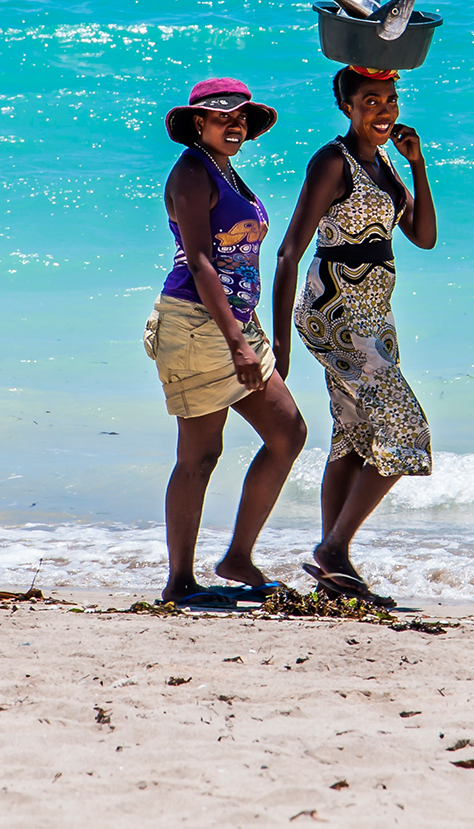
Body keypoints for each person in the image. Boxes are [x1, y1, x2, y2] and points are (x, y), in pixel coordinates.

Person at [271, 66, 437, 606]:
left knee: (354, 435)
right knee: (405, 427)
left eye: (390, 99)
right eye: (371, 100)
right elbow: (290, 250)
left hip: (374, 317)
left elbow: (424, 237)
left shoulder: (385, 162)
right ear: (347, 105)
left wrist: (416, 164)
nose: (383, 110)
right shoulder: (332, 161)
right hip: (336, 311)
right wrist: (281, 345)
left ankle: (332, 568)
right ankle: (335, 548)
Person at [143, 78, 307, 609]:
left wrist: (256, 330)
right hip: (196, 324)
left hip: (235, 324)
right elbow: (200, 259)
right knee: (200, 454)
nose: (234, 124)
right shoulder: (191, 173)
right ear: (198, 124)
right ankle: (179, 582)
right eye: (222, 116)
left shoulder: (225, 170)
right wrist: (238, 341)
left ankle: (237, 556)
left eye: (241, 117)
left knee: (287, 431)